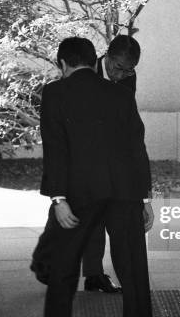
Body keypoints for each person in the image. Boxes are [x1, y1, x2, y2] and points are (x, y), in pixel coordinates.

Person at [40, 37, 154, 317]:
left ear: (63, 65)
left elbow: (56, 150)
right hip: (124, 192)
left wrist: (58, 198)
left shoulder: (54, 93)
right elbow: (136, 146)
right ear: (96, 61)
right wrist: (144, 199)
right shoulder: (119, 94)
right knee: (135, 277)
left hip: (81, 192)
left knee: (62, 273)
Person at [31, 35, 142, 293]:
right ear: (107, 58)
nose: (121, 75)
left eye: (129, 71)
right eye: (117, 68)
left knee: (99, 216)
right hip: (77, 157)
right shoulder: (83, 69)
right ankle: (46, 259)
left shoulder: (127, 78)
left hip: (106, 160)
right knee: (67, 212)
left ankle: (93, 274)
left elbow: (124, 121)